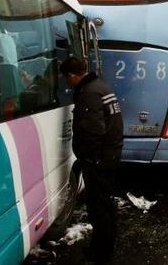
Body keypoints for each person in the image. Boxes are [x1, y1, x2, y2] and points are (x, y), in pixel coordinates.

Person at [60, 56, 123, 263]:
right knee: (104, 203)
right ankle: (104, 247)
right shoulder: (100, 87)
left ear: (71, 76)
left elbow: (93, 131)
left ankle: (101, 253)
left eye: (66, 78)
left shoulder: (89, 94)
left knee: (98, 207)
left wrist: (89, 158)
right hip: (109, 155)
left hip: (99, 159)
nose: (66, 83)